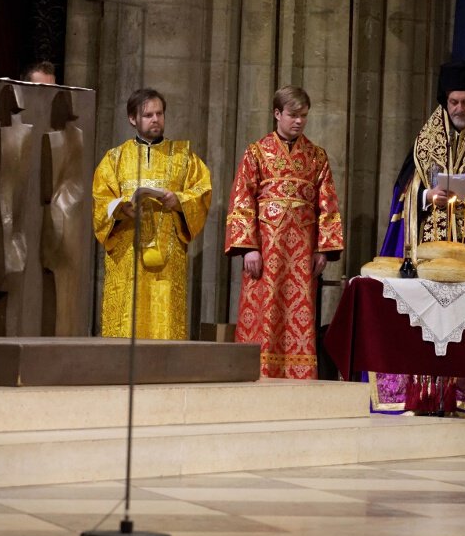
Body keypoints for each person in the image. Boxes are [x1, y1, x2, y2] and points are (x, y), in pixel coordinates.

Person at [376, 62, 465, 416]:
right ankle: (420, 397)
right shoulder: (427, 140)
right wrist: (426, 196)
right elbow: (404, 192)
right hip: (429, 254)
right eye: (453, 102)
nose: (459, 109)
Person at [225, 86, 344, 379]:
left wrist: (322, 249)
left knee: (298, 312)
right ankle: (259, 371)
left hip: (302, 252)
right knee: (264, 309)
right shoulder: (256, 152)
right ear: (277, 114)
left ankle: (298, 374)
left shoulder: (317, 156)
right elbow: (242, 199)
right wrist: (248, 247)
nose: (299, 121)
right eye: (293, 115)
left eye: (303, 115)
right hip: (266, 250)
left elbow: (327, 204)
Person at [92, 88, 212, 339]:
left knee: (164, 318)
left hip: (167, 258)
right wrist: (121, 209)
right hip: (127, 256)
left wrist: (178, 200)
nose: (155, 119)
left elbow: (202, 191)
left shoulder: (185, 157)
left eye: (159, 113)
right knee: (128, 317)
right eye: (148, 115)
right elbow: (100, 200)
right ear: (132, 119)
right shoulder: (115, 158)